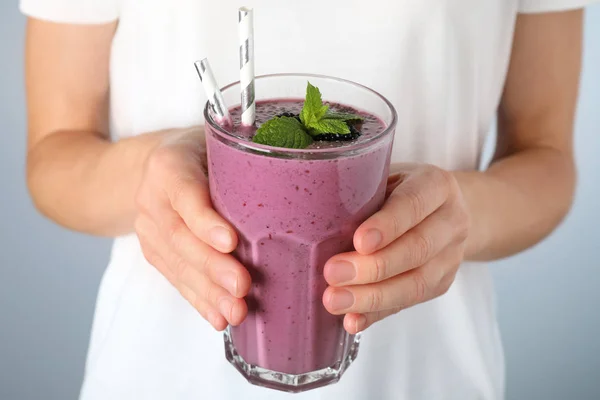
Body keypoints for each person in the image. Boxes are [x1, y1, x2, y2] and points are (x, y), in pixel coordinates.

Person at [20, 0, 597, 399]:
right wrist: (146, 174)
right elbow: (54, 156)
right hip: (160, 377)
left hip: (428, 378)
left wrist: (462, 214)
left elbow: (545, 156)